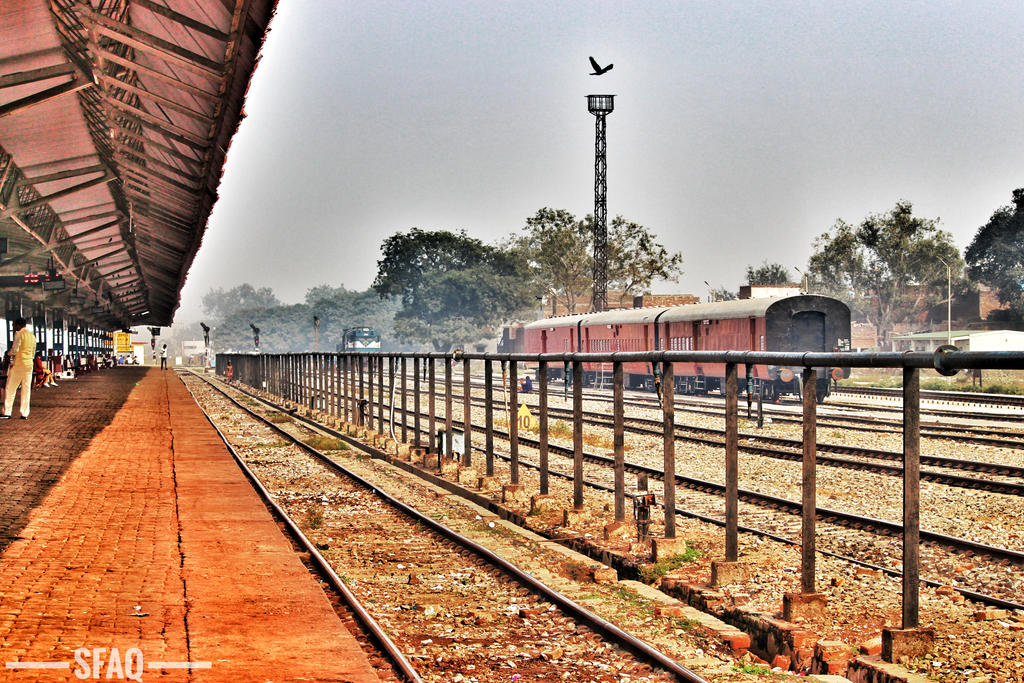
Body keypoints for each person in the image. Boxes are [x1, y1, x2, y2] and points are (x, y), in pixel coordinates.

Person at [3, 318, 37, 419]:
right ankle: (24, 413)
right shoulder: (32, 336)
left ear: (18, 325)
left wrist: (8, 354)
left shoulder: (19, 334)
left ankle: (7, 412)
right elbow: (33, 352)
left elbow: (15, 349)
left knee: (10, 388)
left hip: (19, 364)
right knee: (26, 389)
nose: (14, 328)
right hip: (29, 364)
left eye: (14, 326)